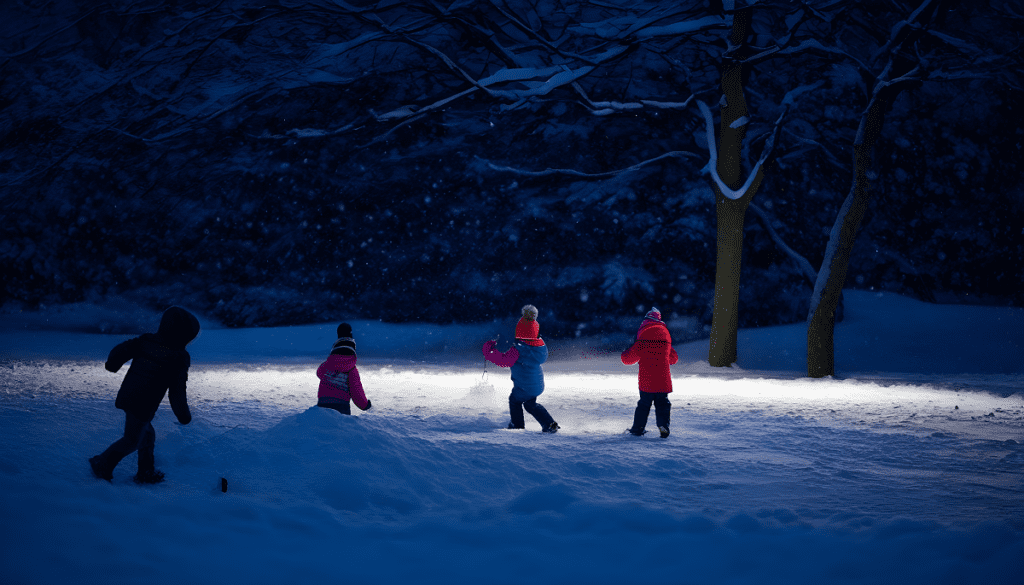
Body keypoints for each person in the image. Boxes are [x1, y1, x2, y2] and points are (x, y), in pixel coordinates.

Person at [89, 306, 201, 484]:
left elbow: (121, 350)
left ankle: (146, 470)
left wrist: (113, 364)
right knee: (132, 440)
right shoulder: (178, 358)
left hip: (129, 394)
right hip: (144, 403)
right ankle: (102, 462)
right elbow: (177, 392)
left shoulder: (145, 341)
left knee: (146, 433)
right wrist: (183, 415)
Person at [482, 304, 559, 433]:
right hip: (537, 385)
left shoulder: (518, 351)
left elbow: (502, 361)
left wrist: (489, 352)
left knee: (514, 400)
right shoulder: (538, 349)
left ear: (520, 332)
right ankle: (549, 424)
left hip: (525, 387)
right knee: (530, 404)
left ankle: (517, 425)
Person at [621, 307, 678, 438]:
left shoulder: (642, 341)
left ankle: (637, 429)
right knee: (663, 403)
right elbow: (674, 359)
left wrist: (625, 351)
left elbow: (627, 359)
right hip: (663, 381)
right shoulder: (665, 341)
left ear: (645, 323)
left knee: (644, 405)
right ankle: (663, 425)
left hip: (647, 381)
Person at [316, 323, 372, 415]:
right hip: (341, 407)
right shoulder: (351, 370)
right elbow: (356, 391)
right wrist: (365, 405)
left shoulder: (327, 365)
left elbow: (319, 373)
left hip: (323, 404)